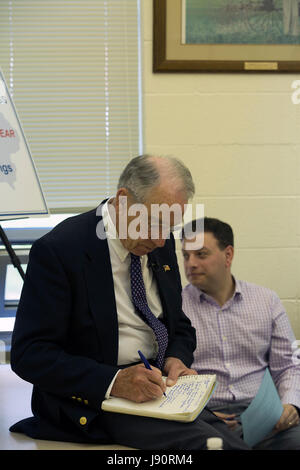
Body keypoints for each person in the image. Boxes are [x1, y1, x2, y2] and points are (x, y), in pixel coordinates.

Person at [9, 156, 249, 450]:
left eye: (170, 226)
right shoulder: (61, 250)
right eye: (155, 224)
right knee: (212, 446)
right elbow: (30, 354)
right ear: (123, 201)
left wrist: (176, 358)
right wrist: (114, 380)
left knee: (233, 438)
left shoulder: (159, 242)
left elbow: (179, 326)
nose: (162, 240)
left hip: (161, 392)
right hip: (98, 401)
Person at [181, 217, 300, 450]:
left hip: (266, 418)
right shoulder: (175, 307)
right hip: (207, 420)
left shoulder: (266, 301)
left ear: (228, 255)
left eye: (201, 254)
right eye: (186, 255)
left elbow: (288, 365)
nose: (190, 264)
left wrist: (290, 405)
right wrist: (202, 414)